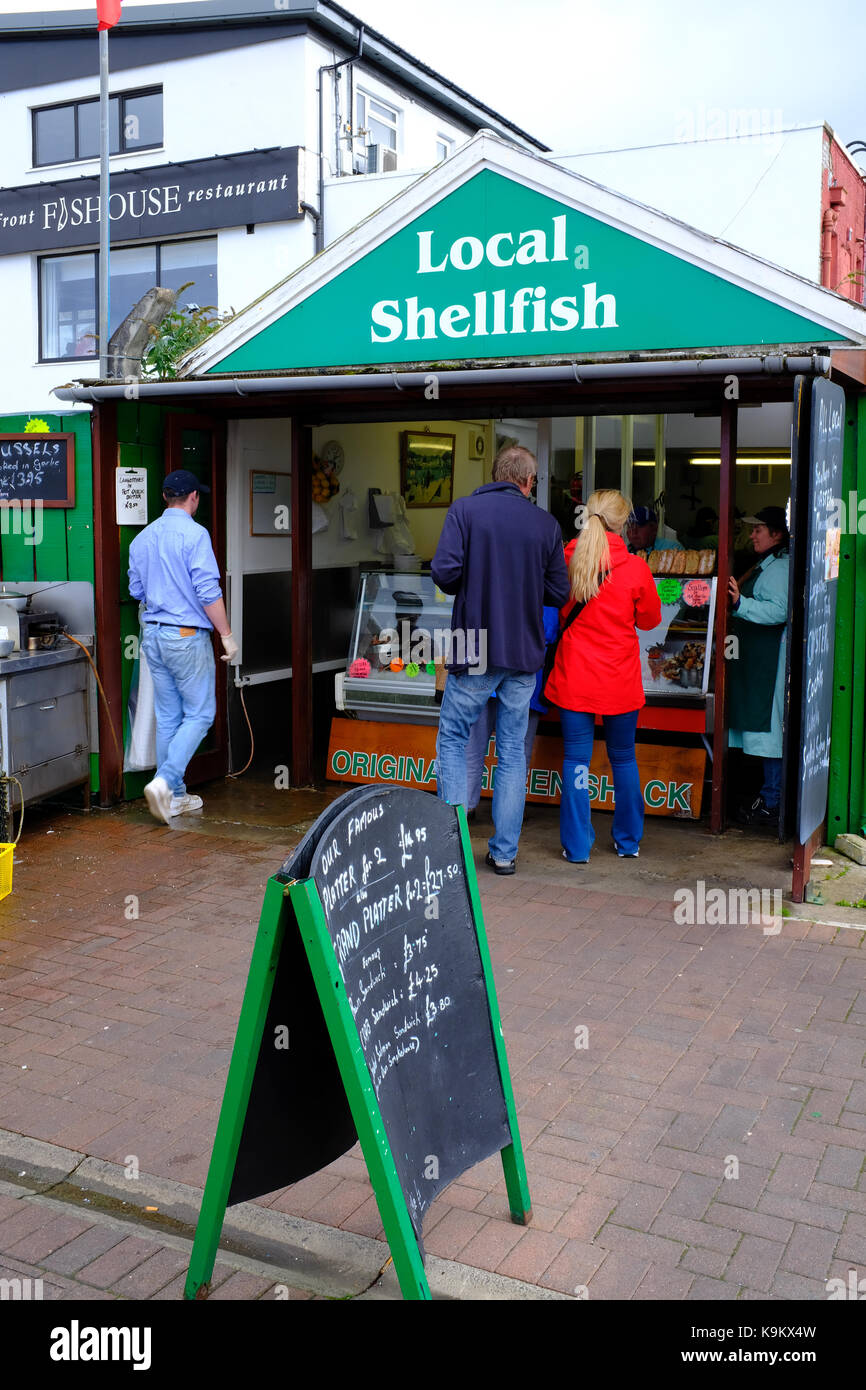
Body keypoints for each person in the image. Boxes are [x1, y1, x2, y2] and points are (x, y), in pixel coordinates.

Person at [432, 445, 570, 874]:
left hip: (474, 642)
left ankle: (451, 851)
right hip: (524, 649)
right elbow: (560, 593)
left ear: (496, 472)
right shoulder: (545, 524)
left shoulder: (464, 511)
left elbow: (444, 573)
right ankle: (505, 853)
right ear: (529, 482)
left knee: (454, 739)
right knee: (512, 752)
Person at [544, 490, 662, 862]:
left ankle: (578, 847)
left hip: (575, 675)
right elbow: (650, 620)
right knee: (623, 758)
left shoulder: (567, 558)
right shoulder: (636, 568)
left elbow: (551, 605)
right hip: (619, 678)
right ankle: (628, 842)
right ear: (624, 524)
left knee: (577, 761)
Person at [128, 469, 238, 825]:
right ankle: (163, 782)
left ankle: (175, 796)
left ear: (165, 497)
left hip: (154, 636)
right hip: (186, 637)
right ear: (193, 497)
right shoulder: (195, 534)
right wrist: (226, 634)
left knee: (170, 717)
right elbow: (208, 591)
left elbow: (136, 591)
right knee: (201, 714)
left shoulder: (141, 539)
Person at [464, 606, 560, 817]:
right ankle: (509, 814)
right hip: (526, 670)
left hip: (487, 662)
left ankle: (464, 808)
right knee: (516, 752)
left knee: (472, 745)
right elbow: (550, 627)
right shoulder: (543, 576)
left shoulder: (493, 574)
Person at [727, 505, 790, 827]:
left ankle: (772, 800)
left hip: (770, 661)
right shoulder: (768, 563)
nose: (751, 534)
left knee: (769, 728)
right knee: (762, 728)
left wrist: (740, 604)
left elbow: (779, 611)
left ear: (776, 534)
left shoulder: (780, 568)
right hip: (755, 658)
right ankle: (767, 795)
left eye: (758, 529)